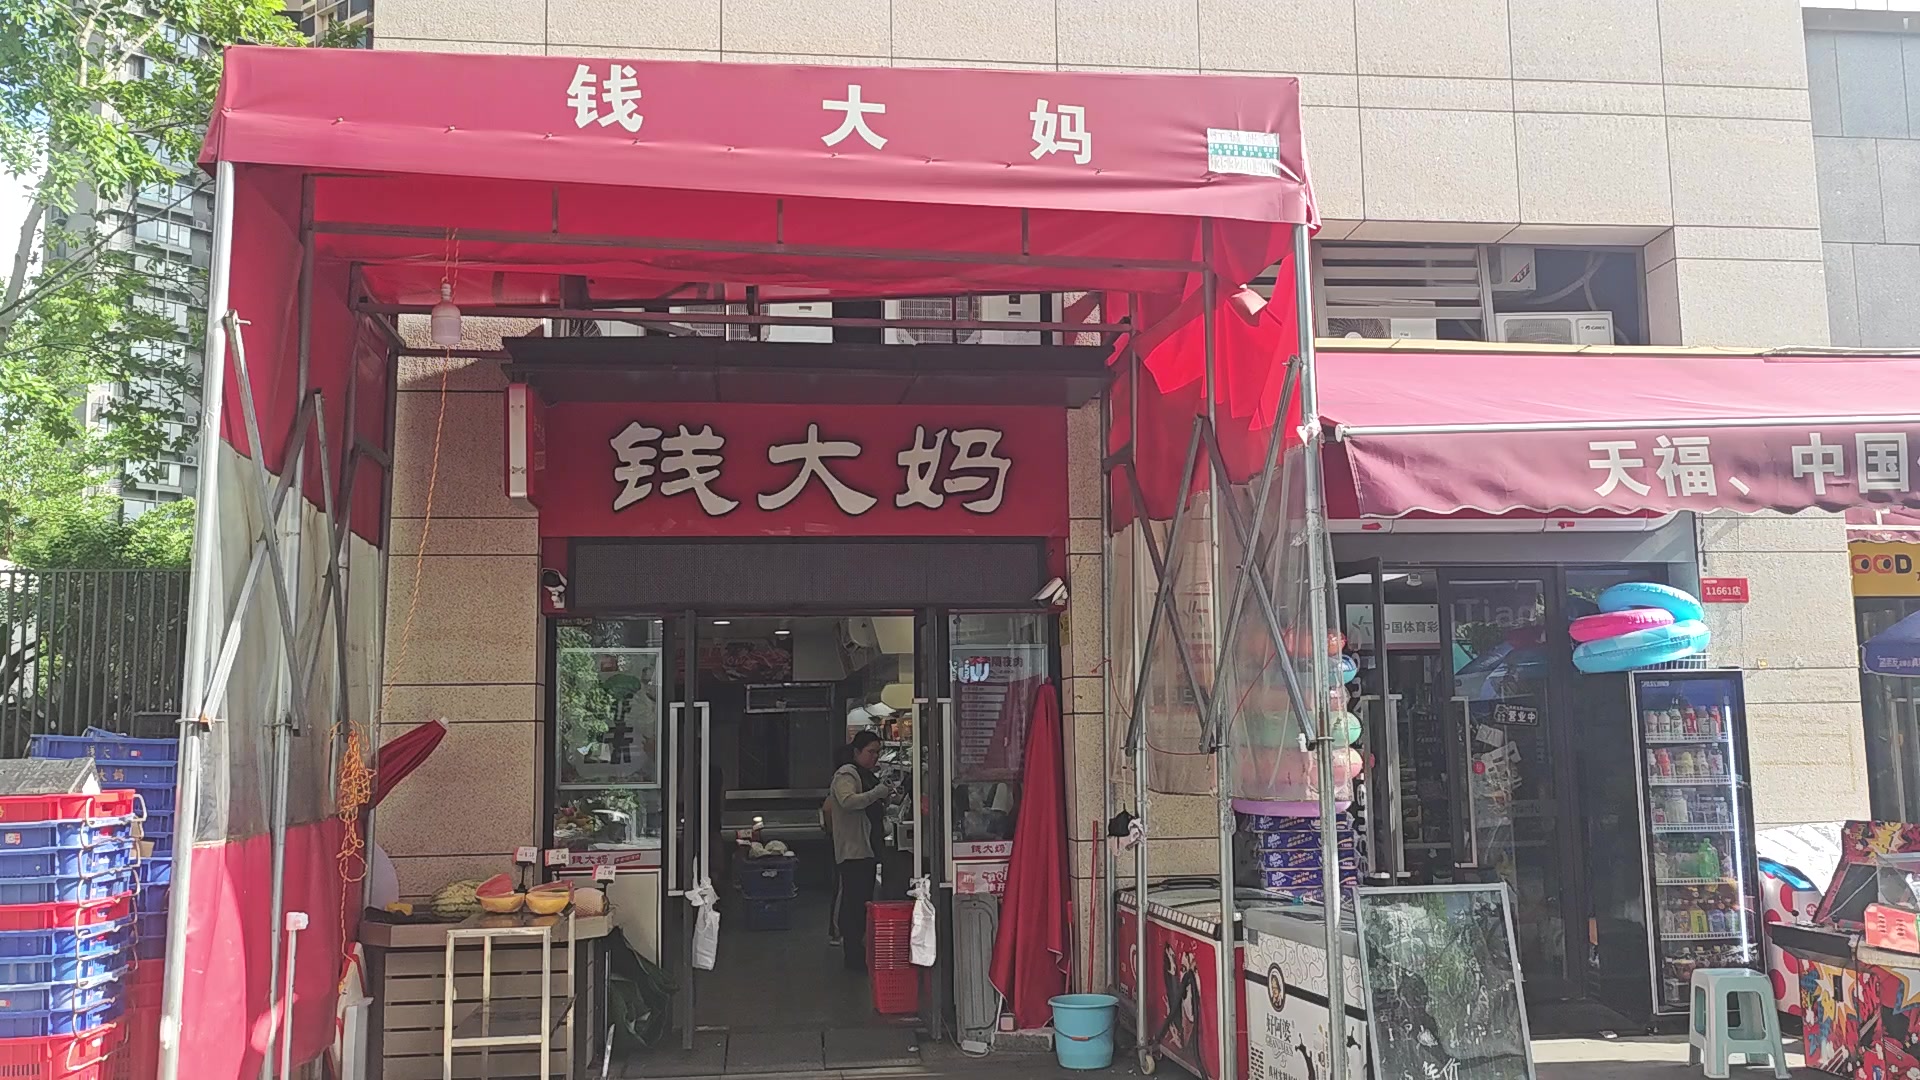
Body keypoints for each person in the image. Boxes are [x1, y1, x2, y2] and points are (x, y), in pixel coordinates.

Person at [828, 730, 892, 972]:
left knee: (862, 901)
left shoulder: (867, 775)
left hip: (867, 848)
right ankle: (852, 953)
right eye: (870, 752)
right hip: (853, 849)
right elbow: (848, 801)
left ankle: (859, 951)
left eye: (878, 752)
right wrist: (877, 794)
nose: (874, 756)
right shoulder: (846, 774)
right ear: (856, 752)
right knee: (853, 904)